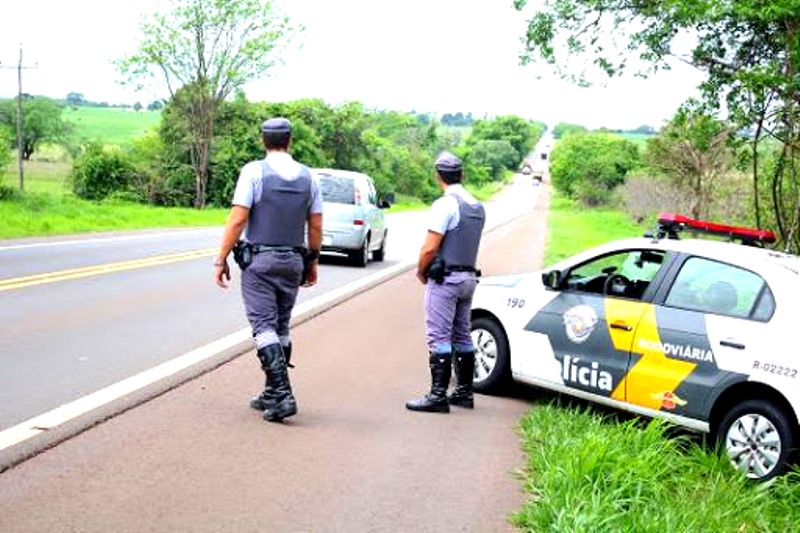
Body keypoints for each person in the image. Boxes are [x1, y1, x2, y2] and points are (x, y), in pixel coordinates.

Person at [214, 117, 323, 423]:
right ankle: (271, 393)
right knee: (281, 327)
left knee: (263, 326)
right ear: (290, 141)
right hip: (292, 262)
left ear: (263, 141)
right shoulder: (309, 176)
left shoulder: (253, 172)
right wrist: (312, 261)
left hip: (260, 263)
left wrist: (221, 258)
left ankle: (283, 394)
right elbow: (315, 224)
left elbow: (237, 219)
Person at [406, 151, 486, 413]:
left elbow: (430, 248)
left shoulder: (446, 204)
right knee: (462, 333)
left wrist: (421, 270)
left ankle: (438, 395)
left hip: (446, 279)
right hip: (469, 278)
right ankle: (464, 392)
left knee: (439, 336)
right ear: (462, 174)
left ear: (437, 175)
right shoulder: (477, 205)